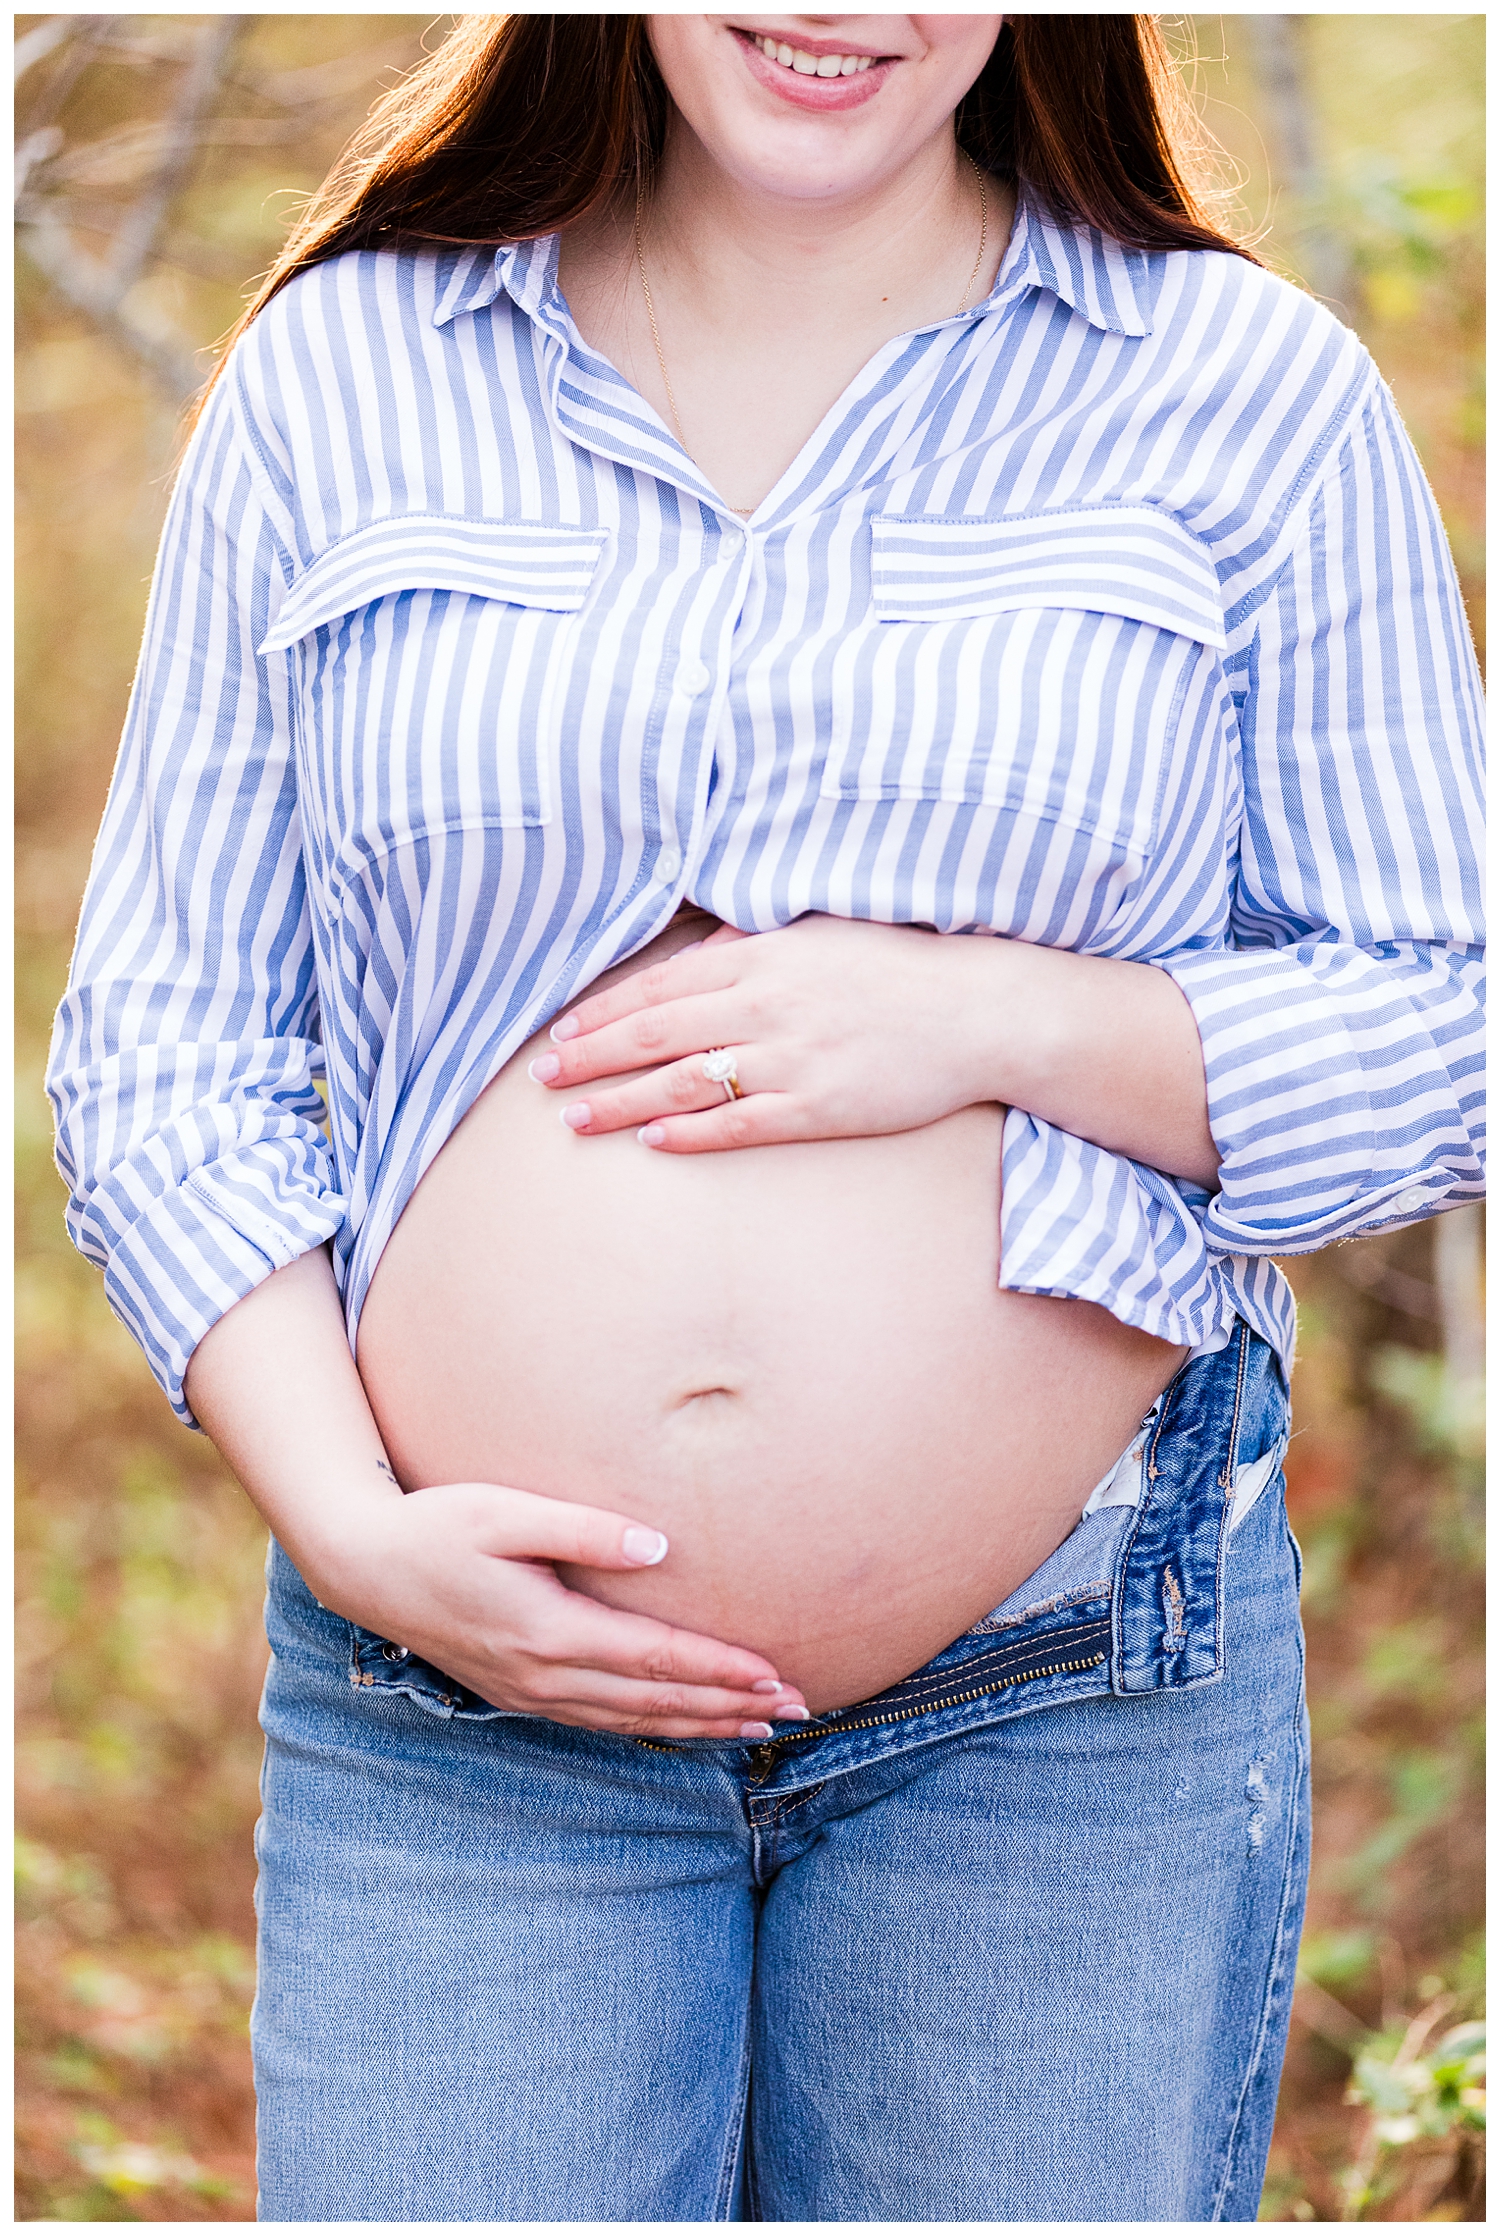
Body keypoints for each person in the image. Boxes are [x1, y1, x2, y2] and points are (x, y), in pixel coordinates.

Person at [47, 13, 1484, 2221]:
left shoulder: (1244, 394)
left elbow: (1450, 1028)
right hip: (459, 1700)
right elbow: (167, 1042)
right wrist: (354, 1523)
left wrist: (988, 1016)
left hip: (1065, 1689)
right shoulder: (346, 376)